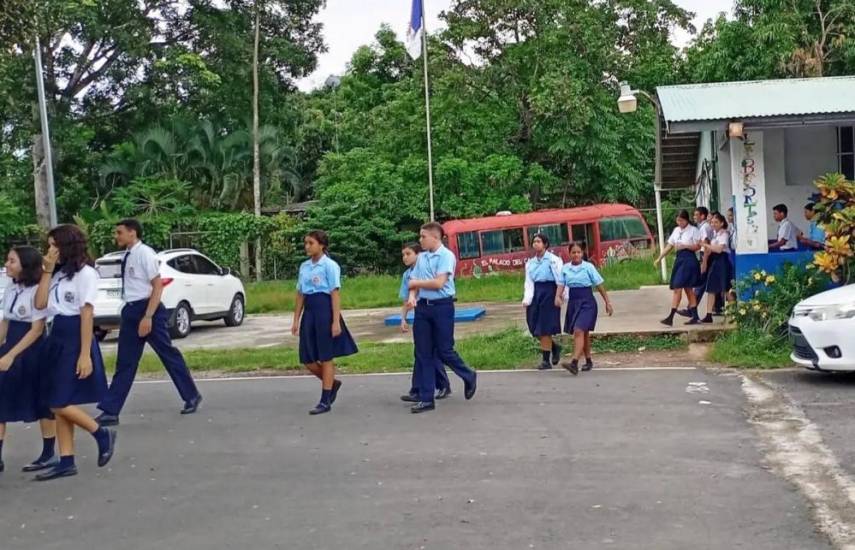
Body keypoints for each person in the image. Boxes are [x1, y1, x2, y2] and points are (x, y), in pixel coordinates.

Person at [96, 219, 202, 426]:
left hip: (147, 309)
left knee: (168, 354)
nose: (116, 236)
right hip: (131, 310)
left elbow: (157, 286)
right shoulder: (128, 255)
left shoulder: (145, 254)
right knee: (125, 362)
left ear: (132, 232)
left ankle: (191, 394)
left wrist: (148, 316)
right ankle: (110, 410)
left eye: (119, 232)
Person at [33, 224, 116, 481]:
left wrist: (84, 354)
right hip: (56, 334)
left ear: (66, 245)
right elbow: (40, 304)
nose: (50, 250)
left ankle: (100, 432)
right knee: (57, 401)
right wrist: (47, 270)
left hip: (74, 334)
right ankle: (66, 459)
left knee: (58, 401)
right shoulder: (59, 274)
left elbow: (86, 314)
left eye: (53, 245)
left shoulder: (86, 274)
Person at [406, 222, 477, 414]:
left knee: (445, 350)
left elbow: (439, 283)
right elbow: (414, 285)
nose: (420, 240)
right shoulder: (421, 258)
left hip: (442, 307)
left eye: (423, 236)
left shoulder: (446, 256)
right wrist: (412, 296)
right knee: (423, 352)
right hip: (423, 308)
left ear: (435, 237)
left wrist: (416, 283)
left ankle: (468, 374)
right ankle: (426, 397)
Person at [0, 247, 57, 474]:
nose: (7, 264)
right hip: (11, 342)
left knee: (41, 401)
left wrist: (12, 354)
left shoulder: (37, 291)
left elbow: (36, 330)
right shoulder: (11, 288)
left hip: (32, 349)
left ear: (25, 265)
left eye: (12, 261)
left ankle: (48, 453)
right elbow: (5, 321)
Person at [291, 230, 357, 415]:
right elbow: (300, 293)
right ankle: (332, 383)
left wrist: (335, 321)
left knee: (326, 355)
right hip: (310, 311)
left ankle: (325, 399)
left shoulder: (329, 265)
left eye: (310, 243)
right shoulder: (304, 266)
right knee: (307, 358)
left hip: (324, 310)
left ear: (321, 245)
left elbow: (335, 293)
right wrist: (296, 318)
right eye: (306, 243)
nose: (307, 246)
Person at [398, 242, 450, 402]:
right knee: (420, 353)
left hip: (433, 310)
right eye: (403, 255)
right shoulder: (408, 275)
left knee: (430, 352)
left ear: (418, 254)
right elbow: (406, 298)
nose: (405, 257)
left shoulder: (428, 267)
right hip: (420, 314)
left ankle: (442, 385)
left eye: (408, 254)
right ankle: (418, 389)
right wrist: (403, 318)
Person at [556, 242, 613, 374]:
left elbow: (599, 284)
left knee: (579, 330)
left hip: (587, 302)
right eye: (573, 252)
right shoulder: (565, 268)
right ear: (569, 254)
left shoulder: (588, 267)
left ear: (582, 253)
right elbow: (561, 284)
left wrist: (607, 302)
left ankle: (574, 363)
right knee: (584, 333)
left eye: (579, 252)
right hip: (573, 302)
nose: (576, 255)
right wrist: (557, 296)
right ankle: (588, 361)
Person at [522, 233, 563, 370]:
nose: (536, 244)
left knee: (545, 327)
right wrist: (527, 298)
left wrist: (559, 295)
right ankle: (554, 347)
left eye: (539, 241)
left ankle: (546, 360)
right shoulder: (530, 263)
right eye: (534, 241)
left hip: (549, 292)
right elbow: (528, 282)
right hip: (536, 292)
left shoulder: (553, 260)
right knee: (533, 324)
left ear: (545, 244)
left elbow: (560, 279)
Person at [654, 210, 702, 326]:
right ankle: (695, 316)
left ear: (686, 220)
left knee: (679, 288)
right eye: (678, 220)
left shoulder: (693, 230)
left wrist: (686, 246)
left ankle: (671, 316)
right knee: (686, 289)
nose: (679, 223)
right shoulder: (676, 230)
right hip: (679, 259)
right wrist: (660, 258)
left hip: (689, 259)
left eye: (681, 220)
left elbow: (698, 246)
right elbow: (670, 245)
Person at [699, 213, 732, 323]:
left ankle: (734, 312)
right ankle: (708, 314)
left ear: (722, 223)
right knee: (711, 288)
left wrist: (706, 245)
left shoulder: (724, 234)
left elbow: (719, 249)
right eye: (712, 222)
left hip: (722, 261)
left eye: (716, 222)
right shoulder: (715, 234)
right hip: (714, 261)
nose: (713, 224)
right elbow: (711, 249)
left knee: (727, 288)